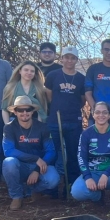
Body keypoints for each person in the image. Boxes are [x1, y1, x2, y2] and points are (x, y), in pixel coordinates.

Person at [71, 102, 110, 219]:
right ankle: (98, 196)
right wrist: (87, 177)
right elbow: (81, 157)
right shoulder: (86, 134)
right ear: (93, 114)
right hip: (93, 173)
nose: (101, 115)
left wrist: (106, 173)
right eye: (97, 112)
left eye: (105, 112)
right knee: (77, 192)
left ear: (109, 115)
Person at [2, 96, 59, 210]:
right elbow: (8, 151)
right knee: (8, 162)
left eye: (28, 109)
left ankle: (33, 189)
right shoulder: (9, 128)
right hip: (20, 165)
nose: (24, 113)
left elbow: (51, 151)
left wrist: (37, 170)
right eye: (20, 110)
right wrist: (35, 159)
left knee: (53, 179)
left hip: (39, 166)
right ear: (15, 112)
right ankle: (16, 196)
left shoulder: (42, 127)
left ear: (32, 111)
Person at [44, 46, 86, 195]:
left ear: (76, 60)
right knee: (53, 153)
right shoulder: (53, 75)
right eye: (66, 57)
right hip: (55, 120)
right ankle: (52, 186)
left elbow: (82, 100)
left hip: (74, 121)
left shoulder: (81, 78)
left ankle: (70, 186)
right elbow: (49, 96)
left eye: (72, 58)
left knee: (73, 154)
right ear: (61, 59)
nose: (69, 60)